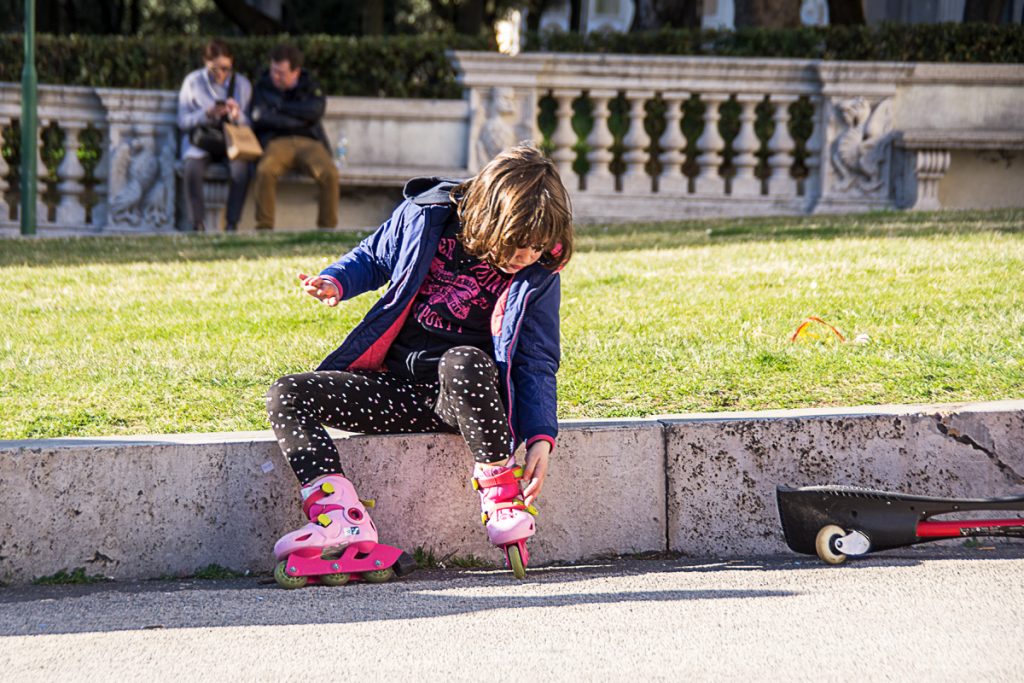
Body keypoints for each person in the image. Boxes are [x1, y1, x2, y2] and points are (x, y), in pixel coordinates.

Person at [266, 144, 573, 583]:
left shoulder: (539, 272)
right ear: (486, 217)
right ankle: (338, 513)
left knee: (464, 361)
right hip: (394, 388)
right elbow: (374, 255)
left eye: (536, 247)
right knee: (288, 393)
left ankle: (499, 490)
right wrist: (336, 280)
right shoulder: (425, 216)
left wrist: (542, 434)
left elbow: (536, 359)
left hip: (465, 400)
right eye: (515, 244)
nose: (524, 256)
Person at [250, 44, 338, 231]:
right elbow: (260, 117)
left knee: (329, 173)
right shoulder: (263, 86)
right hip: (276, 141)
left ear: (295, 72)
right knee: (265, 171)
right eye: (273, 71)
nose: (275, 76)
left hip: (310, 142)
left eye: (281, 73)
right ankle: (264, 228)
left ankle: (327, 229)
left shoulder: (310, 86)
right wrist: (299, 119)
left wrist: (279, 108)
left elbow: (315, 111)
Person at [176, 39, 252, 232]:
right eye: (214, 69)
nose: (220, 74)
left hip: (231, 140)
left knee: (241, 170)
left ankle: (231, 225)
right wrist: (206, 114)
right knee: (192, 168)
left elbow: (250, 124)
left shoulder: (242, 84)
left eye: (225, 68)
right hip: (202, 141)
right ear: (205, 62)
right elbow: (182, 121)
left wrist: (237, 115)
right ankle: (197, 224)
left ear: (232, 62)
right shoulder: (193, 82)